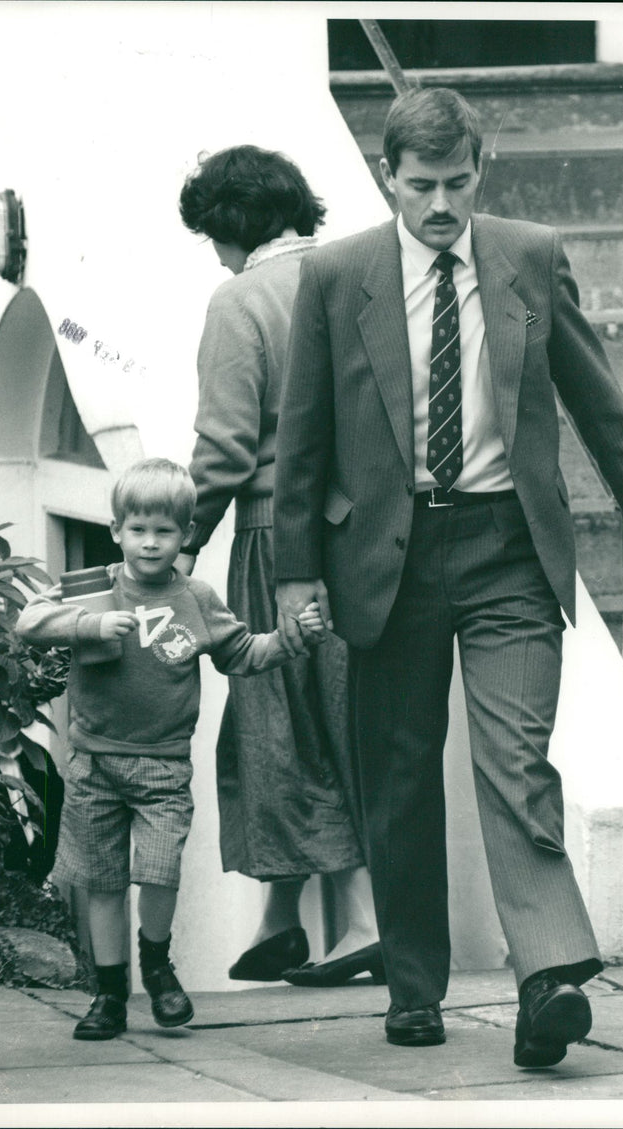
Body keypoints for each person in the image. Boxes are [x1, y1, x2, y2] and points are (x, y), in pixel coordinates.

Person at [272, 87, 623, 1065]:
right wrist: (293, 577)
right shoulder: (335, 275)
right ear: (387, 178)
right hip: (383, 560)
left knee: (513, 761)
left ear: (478, 171)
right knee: (396, 779)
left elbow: (597, 404)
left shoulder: (527, 255)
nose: (438, 204)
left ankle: (548, 979)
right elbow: (302, 441)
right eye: (419, 185)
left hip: (507, 552)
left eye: (455, 182)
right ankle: (410, 984)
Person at [16, 458, 326, 1039]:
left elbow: (243, 653)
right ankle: (109, 994)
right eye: (138, 529)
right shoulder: (94, 586)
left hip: (163, 766)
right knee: (103, 881)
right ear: (116, 531)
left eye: (164, 531)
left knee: (160, 874)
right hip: (93, 764)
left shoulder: (197, 598)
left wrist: (291, 638)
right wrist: (86, 626)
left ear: (186, 536)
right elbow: (29, 620)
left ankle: (155, 963)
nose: (150, 543)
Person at [177, 145, 384, 987]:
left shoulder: (240, 300)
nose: (214, 253)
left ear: (234, 225)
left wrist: (184, 540)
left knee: (281, 721)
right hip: (370, 534)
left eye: (212, 235)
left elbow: (224, 449)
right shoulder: (360, 273)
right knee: (342, 717)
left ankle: (362, 920)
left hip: (276, 536)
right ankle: (283, 918)